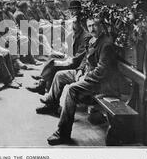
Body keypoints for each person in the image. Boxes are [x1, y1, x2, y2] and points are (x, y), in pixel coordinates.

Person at [43, 16, 120, 145]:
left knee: (72, 90)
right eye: (89, 26)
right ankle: (52, 104)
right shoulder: (92, 40)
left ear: (101, 26)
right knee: (60, 75)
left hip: (99, 83)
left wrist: (85, 76)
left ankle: (63, 133)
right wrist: (79, 70)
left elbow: (102, 71)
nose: (92, 28)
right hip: (85, 74)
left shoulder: (106, 44)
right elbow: (85, 58)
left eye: (94, 25)